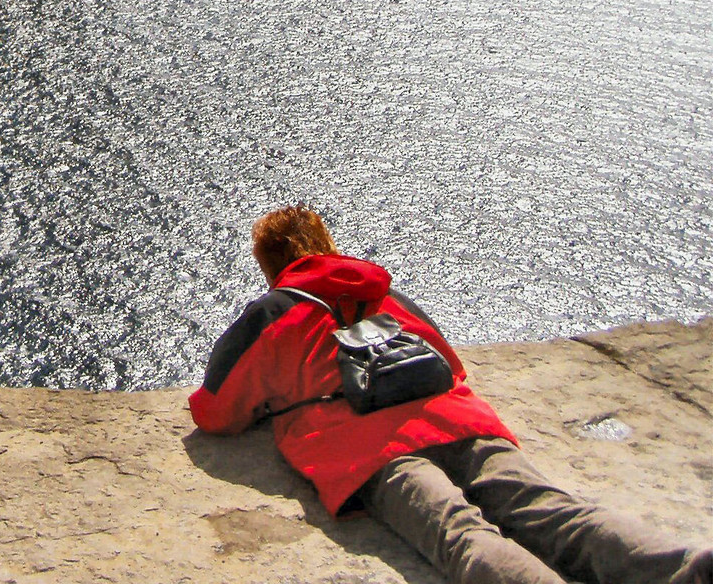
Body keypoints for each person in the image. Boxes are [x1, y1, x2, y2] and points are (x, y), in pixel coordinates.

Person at [189, 204, 712, 584]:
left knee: (460, 535)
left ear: (269, 263)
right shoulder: (383, 291)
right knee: (553, 509)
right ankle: (685, 568)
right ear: (326, 243)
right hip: (457, 420)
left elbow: (217, 411)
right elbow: (450, 364)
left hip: (365, 450)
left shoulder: (274, 312)